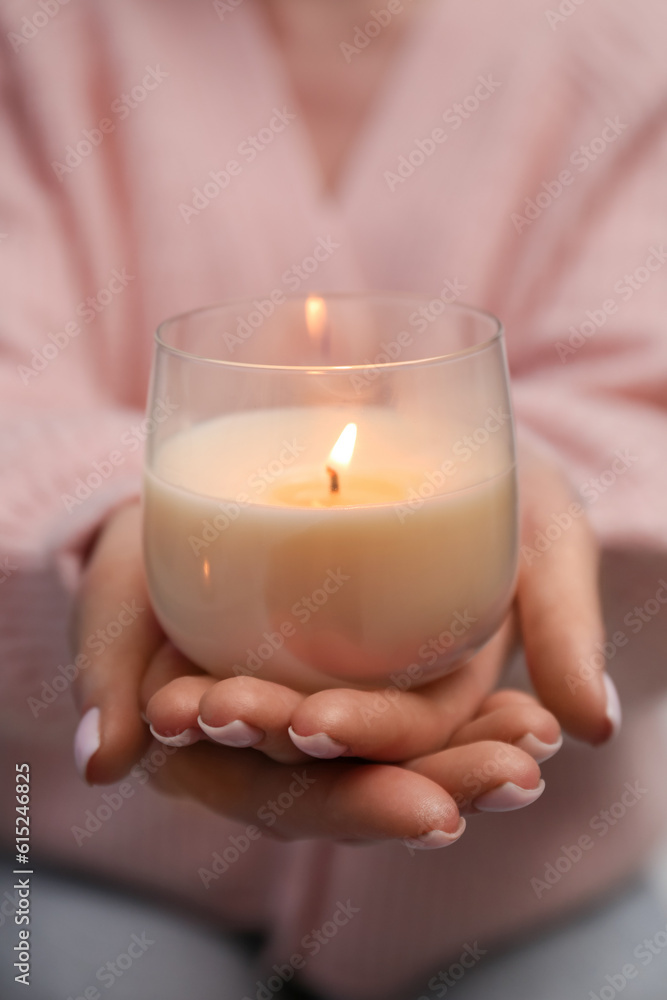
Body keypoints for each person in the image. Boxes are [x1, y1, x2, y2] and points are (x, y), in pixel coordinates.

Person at [1, 0, 666, 997]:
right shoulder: (36, 42)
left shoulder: (624, 44)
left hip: (524, 885)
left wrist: (543, 556)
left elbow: (643, 400)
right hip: (93, 857)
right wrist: (99, 541)